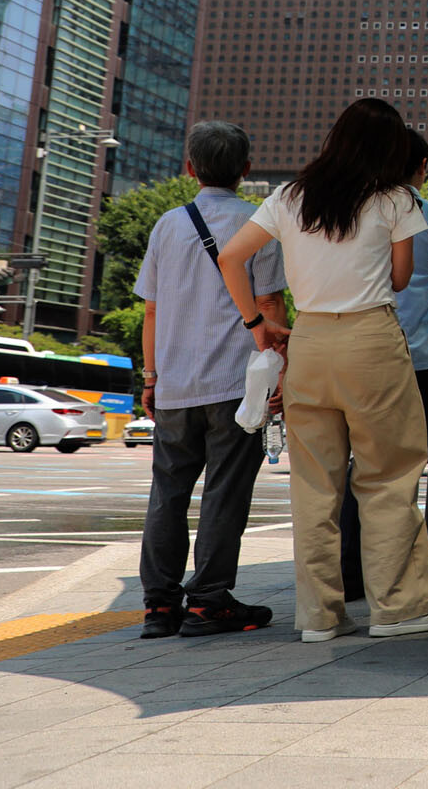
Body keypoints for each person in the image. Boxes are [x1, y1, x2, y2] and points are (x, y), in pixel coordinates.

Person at [215, 98, 428, 643]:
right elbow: (401, 278)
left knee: (314, 486)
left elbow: (230, 257)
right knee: (389, 476)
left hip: (310, 341)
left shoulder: (290, 195)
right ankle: (397, 609)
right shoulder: (394, 200)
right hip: (370, 340)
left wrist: (257, 324)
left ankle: (319, 616)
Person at [135, 121, 287, 639]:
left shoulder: (167, 226)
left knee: (168, 493)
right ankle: (208, 600)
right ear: (247, 170)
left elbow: (151, 310)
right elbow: (267, 304)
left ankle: (159, 605)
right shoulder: (258, 223)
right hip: (235, 382)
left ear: (189, 167)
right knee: (224, 492)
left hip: (175, 382)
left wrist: (151, 377)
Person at [340, 130, 428, 599]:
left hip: (371, 355)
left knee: (366, 462)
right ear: (420, 167)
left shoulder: (355, 215)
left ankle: (352, 573)